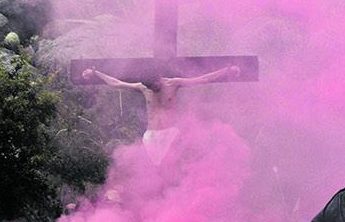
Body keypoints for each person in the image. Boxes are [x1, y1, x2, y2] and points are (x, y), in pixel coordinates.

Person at [83, 64, 240, 161]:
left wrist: (226, 71)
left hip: (170, 133)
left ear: (160, 78)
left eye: (154, 85)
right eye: (149, 86)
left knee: (172, 169)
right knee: (148, 173)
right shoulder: (143, 87)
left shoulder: (174, 84)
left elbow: (202, 79)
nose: (152, 89)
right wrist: (96, 73)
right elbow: (117, 83)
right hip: (151, 135)